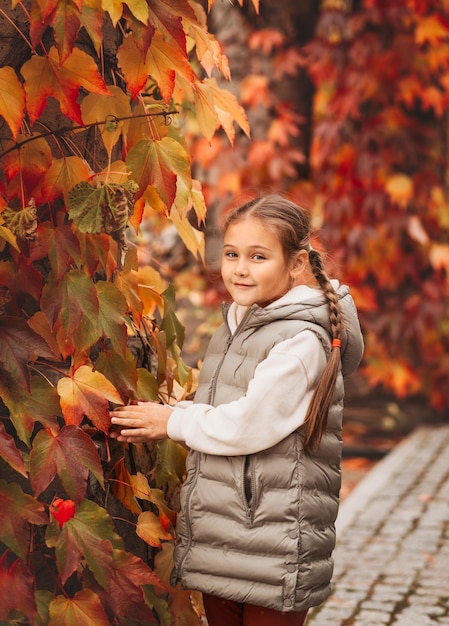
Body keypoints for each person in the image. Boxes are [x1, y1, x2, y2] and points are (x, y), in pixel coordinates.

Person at [110, 194, 364, 626]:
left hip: (272, 543)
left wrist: (171, 421)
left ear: (296, 263)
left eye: (258, 256)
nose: (239, 268)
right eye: (231, 254)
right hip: (227, 534)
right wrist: (174, 411)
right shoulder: (241, 322)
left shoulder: (299, 341)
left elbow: (249, 424)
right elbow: (228, 406)